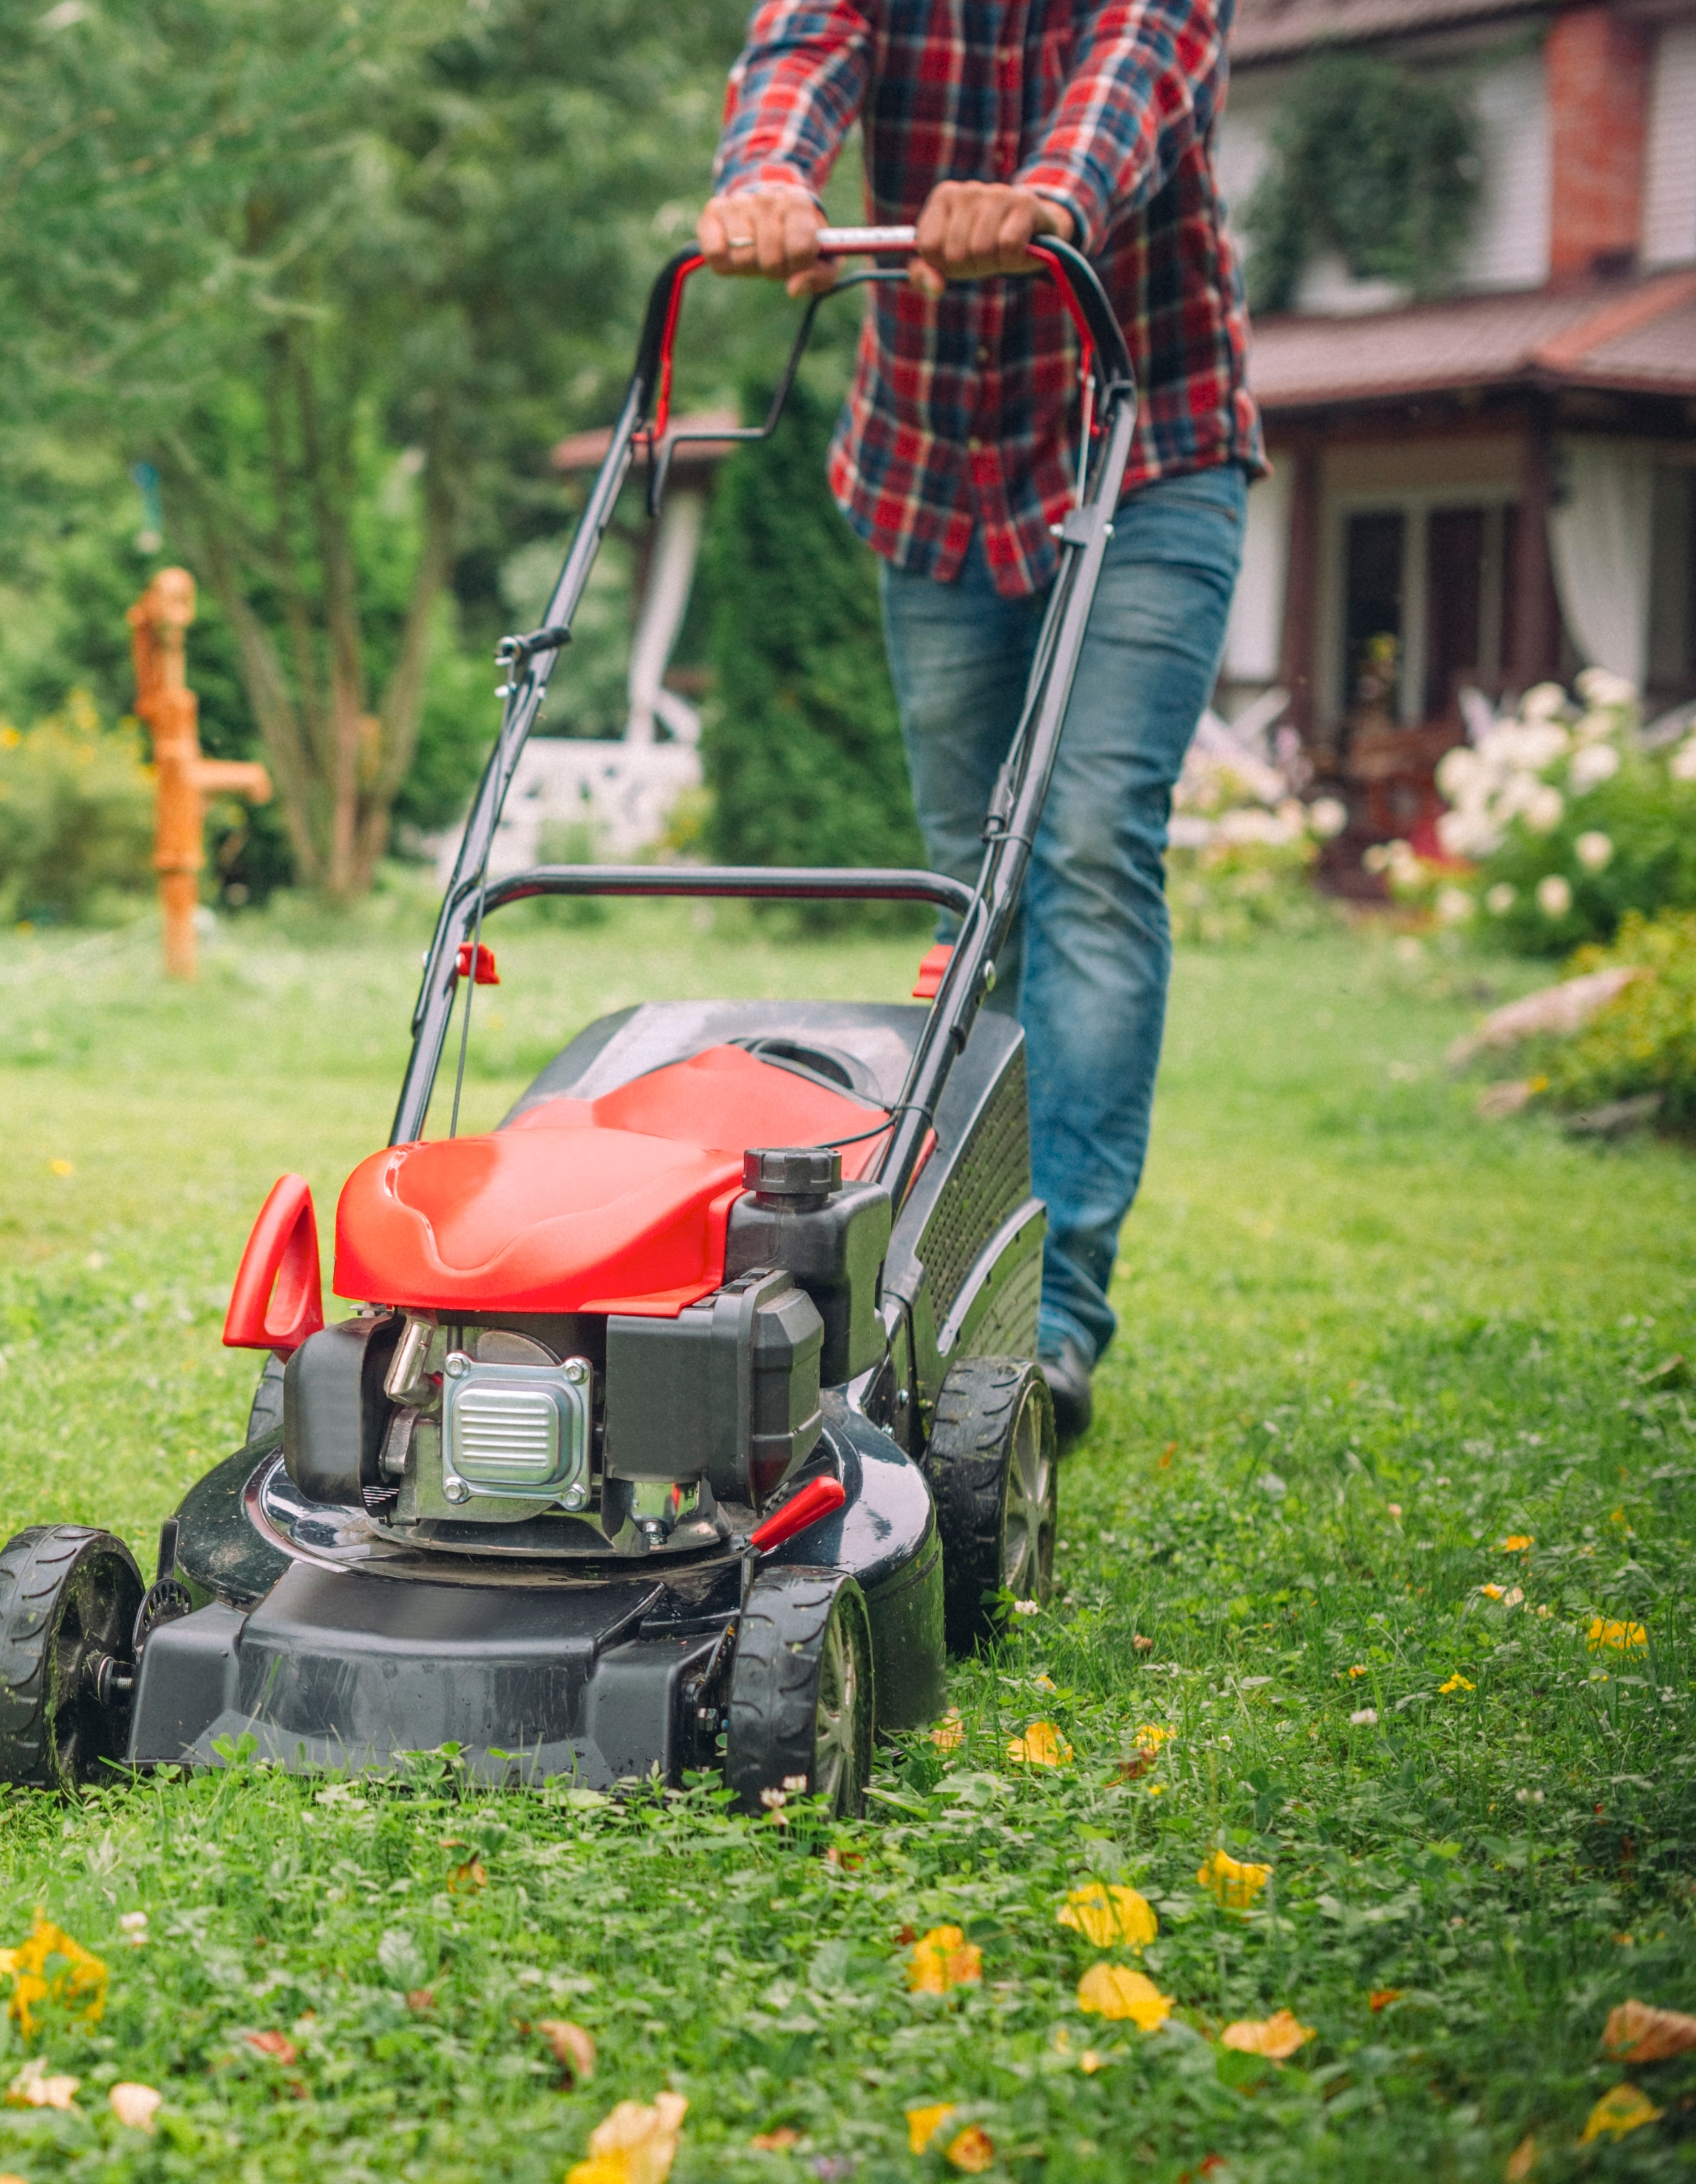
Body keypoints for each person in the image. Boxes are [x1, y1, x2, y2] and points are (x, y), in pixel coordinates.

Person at [698, 0, 1260, 1443]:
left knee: (1080, 844)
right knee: (971, 883)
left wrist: (1046, 199)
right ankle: (965, 1288)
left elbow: (1138, 57)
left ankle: (1059, 1310)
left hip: (1146, 440)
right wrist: (772, 175)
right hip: (930, 464)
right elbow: (805, 40)